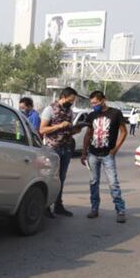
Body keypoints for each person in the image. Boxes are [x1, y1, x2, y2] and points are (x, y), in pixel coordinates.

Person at [81, 90, 127, 223]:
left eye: (95, 102)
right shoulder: (92, 115)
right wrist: (84, 153)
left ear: (103, 100)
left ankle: (120, 210)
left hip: (108, 155)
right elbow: (88, 134)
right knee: (93, 182)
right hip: (93, 154)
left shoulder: (115, 113)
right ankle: (94, 208)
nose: (93, 105)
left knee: (113, 183)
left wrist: (116, 149)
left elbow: (123, 132)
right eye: (92, 103)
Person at [39, 87, 82, 217]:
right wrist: (59, 126)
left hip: (66, 147)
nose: (72, 103)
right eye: (70, 100)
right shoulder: (50, 109)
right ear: (63, 96)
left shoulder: (69, 111)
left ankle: (58, 205)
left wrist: (75, 130)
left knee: (61, 178)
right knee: (50, 177)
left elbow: (67, 129)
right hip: (52, 148)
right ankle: (46, 207)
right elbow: (42, 130)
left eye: (73, 101)